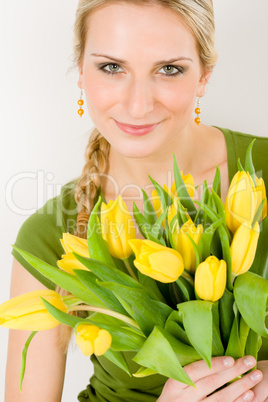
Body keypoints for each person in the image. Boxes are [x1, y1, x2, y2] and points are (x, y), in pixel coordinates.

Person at [4, 0, 268, 401]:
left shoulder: (258, 174)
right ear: (80, 71)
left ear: (204, 75)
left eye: (169, 69)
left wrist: (255, 382)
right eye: (112, 67)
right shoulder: (52, 234)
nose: (137, 104)